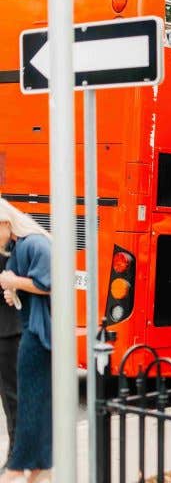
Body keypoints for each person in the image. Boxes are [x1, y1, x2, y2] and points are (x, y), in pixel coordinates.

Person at [0, 198, 52, 483]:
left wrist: (13, 284)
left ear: (7, 223)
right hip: (25, 327)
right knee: (28, 398)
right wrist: (14, 290)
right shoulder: (20, 245)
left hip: (26, 331)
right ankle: (36, 464)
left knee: (24, 398)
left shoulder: (29, 244)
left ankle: (20, 463)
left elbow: (47, 282)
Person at [0, 246, 21, 468]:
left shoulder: (8, 247)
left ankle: (16, 456)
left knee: (12, 398)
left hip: (7, 331)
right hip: (8, 329)